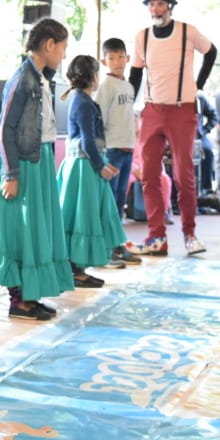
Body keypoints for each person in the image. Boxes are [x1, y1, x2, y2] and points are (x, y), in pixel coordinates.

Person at [0, 17, 75, 320]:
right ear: (49, 45)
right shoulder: (22, 79)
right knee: (20, 231)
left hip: (38, 160)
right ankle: (18, 299)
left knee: (36, 231)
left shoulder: (43, 78)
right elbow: (4, 129)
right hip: (22, 165)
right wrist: (11, 174)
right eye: (63, 48)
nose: (64, 55)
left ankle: (30, 295)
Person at [124, 0, 217, 257]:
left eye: (160, 3)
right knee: (149, 175)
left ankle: (190, 234)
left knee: (183, 173)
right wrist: (126, 103)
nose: (156, 9)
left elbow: (211, 53)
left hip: (182, 109)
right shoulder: (142, 37)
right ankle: (157, 238)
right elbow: (136, 73)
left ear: (170, 6)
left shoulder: (188, 32)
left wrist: (198, 85)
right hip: (152, 110)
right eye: (152, 4)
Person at [58, 55, 128, 282]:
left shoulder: (82, 100)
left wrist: (102, 163)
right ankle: (77, 269)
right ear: (92, 77)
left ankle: (78, 267)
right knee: (83, 217)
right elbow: (88, 141)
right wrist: (100, 166)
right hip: (84, 167)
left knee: (83, 216)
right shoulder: (84, 102)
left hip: (85, 164)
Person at [93, 37, 143, 266]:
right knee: (109, 199)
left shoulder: (129, 86)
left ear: (128, 58)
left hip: (127, 148)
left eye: (120, 56)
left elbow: (129, 114)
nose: (116, 62)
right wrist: (100, 153)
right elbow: (98, 119)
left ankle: (117, 243)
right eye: (111, 58)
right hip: (111, 149)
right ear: (104, 61)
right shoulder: (105, 87)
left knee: (120, 198)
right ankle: (106, 248)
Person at [196, 91, 219, 194]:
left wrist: (204, 130)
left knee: (207, 151)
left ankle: (206, 188)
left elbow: (214, 116)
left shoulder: (200, 99)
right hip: (179, 136)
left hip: (198, 136)